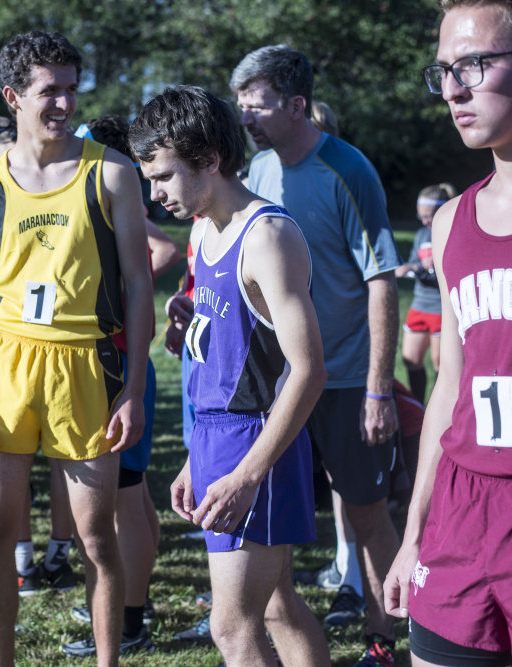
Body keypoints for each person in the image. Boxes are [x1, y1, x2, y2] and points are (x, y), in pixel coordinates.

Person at [0, 31, 154, 667]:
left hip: (85, 365)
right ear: (13, 97)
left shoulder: (113, 172)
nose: (64, 103)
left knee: (97, 537)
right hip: (7, 364)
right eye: (50, 91)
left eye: (72, 88)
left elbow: (140, 284)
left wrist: (135, 387)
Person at [132, 85, 330, 667]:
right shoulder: (201, 228)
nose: (154, 194)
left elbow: (309, 370)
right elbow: (228, 344)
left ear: (211, 160)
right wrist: (197, 455)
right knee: (276, 606)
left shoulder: (267, 235)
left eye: (163, 177)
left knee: (231, 627)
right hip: (217, 436)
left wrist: (246, 474)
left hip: (256, 442)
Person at [232, 44, 404, 665]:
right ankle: (284, 633)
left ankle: (383, 639)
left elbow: (381, 277)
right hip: (282, 384)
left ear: (296, 105)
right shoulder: (255, 172)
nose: (246, 117)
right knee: (277, 523)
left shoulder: (348, 169)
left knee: (366, 518)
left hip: (350, 380)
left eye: (258, 105)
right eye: (241, 105)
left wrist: (379, 388)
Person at [385, 3, 512, 665]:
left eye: (474, 64)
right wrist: (412, 536)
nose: (454, 90)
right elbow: (448, 387)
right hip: (461, 514)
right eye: (443, 71)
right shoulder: (450, 223)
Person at [62, 114, 181, 655]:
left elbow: (164, 251)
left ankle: (130, 622)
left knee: (125, 502)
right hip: (114, 360)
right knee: (133, 500)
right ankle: (138, 601)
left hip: (119, 363)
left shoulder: (112, 190)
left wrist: (122, 291)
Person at [395, 184, 455, 405]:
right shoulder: (421, 234)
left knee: (442, 365)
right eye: (420, 216)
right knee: (410, 359)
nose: (424, 222)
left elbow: (447, 273)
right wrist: (411, 267)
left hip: (441, 309)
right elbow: (414, 260)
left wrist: (418, 269)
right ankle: (419, 408)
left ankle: (442, 410)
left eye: (428, 217)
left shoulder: (451, 231)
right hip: (419, 305)